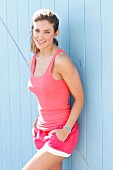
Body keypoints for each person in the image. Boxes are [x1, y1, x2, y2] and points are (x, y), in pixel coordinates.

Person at [22, 9, 84, 170]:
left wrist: (66, 130)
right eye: (37, 30)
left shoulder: (61, 61)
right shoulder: (35, 59)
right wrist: (38, 120)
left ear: (56, 33)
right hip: (41, 132)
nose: (40, 36)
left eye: (46, 31)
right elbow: (45, 93)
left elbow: (80, 98)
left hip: (60, 134)